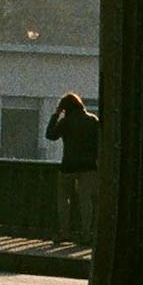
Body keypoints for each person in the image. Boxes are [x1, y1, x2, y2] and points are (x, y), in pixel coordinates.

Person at [46, 92, 100, 244]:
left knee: (64, 197)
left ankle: (64, 231)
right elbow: (99, 143)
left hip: (68, 165)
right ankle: (87, 234)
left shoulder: (66, 122)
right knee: (86, 200)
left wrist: (56, 115)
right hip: (89, 166)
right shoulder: (92, 120)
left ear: (64, 108)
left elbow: (50, 136)